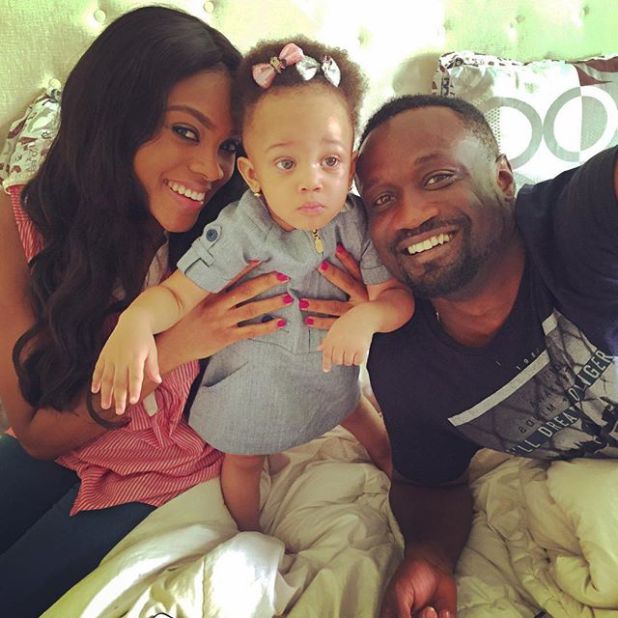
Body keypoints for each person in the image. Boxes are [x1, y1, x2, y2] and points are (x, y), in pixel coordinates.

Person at [0, 7, 313, 616]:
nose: (211, 169)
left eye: (227, 146)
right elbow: (35, 432)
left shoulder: (226, 234)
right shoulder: (22, 227)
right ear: (115, 116)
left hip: (168, 468)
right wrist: (173, 345)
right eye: (186, 132)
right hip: (61, 440)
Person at [92, 38, 414, 533]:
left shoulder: (356, 223)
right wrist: (135, 321)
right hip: (254, 381)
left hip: (329, 375)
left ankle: (399, 472)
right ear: (252, 172)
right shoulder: (240, 231)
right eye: (286, 163)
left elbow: (396, 300)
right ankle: (247, 534)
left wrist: (369, 315)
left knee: (357, 413)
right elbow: (177, 294)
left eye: (329, 161)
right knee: (241, 460)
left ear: (352, 165)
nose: (311, 181)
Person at [350, 94, 618, 617]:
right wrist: (429, 556)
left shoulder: (577, 226)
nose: (411, 214)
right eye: (382, 199)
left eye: (437, 178)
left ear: (502, 179)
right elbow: (430, 483)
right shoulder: (405, 364)